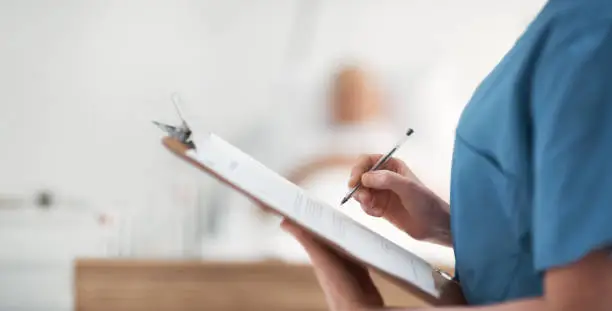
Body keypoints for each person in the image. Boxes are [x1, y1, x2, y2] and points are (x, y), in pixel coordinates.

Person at [280, 0, 612, 310]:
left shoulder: (590, 33)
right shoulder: (573, 26)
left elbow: (585, 302)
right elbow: (552, 227)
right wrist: (444, 224)